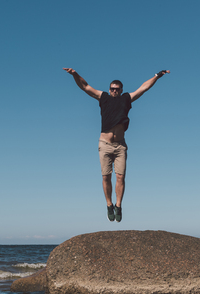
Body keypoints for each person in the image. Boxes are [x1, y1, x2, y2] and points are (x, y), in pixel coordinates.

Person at [63, 68, 170, 222]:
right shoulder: (103, 97)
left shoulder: (126, 98)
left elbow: (144, 87)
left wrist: (157, 76)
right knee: (106, 177)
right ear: (109, 89)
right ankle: (109, 204)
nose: (114, 91)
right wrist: (74, 74)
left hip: (120, 145)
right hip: (104, 144)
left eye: (116, 89)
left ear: (121, 90)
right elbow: (85, 86)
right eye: (112, 89)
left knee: (120, 177)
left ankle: (118, 205)